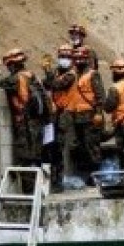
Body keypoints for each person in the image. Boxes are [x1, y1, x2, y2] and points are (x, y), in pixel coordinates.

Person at [0, 48, 50, 193]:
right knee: (36, 157)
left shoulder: (16, 78)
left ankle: (29, 192)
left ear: (12, 65)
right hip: (38, 123)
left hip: (26, 124)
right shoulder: (32, 76)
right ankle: (39, 191)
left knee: (26, 158)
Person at [66, 45, 105, 182]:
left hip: (90, 117)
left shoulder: (93, 74)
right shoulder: (76, 75)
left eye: (80, 59)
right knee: (82, 147)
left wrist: (98, 113)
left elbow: (100, 96)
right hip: (79, 118)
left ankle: (96, 176)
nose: (77, 62)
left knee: (92, 146)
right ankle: (88, 176)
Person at [45, 44, 79, 189]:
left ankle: (58, 182)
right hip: (56, 113)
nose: (63, 59)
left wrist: (48, 72)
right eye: (61, 57)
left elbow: (56, 85)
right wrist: (49, 75)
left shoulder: (71, 75)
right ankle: (53, 180)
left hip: (65, 113)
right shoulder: (59, 73)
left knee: (58, 147)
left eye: (66, 57)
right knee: (52, 147)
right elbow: (47, 84)